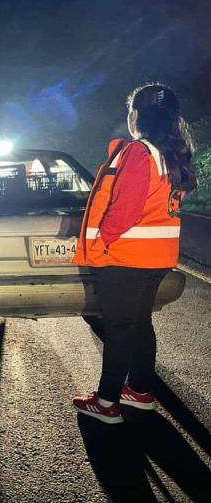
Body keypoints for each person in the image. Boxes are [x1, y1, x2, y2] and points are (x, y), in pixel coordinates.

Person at [72, 83, 197, 424]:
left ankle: (107, 401)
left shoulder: (140, 152)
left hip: (126, 257)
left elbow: (124, 208)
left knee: (119, 327)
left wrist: (105, 241)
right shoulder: (172, 153)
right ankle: (139, 391)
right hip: (157, 258)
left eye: (131, 110)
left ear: (138, 115)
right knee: (139, 324)